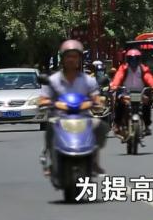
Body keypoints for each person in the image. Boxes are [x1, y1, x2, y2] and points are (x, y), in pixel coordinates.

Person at [39, 39, 109, 175]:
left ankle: (94, 160)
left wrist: (96, 103)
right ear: (62, 58)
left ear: (80, 59)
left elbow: (96, 98)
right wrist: (51, 103)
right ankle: (50, 159)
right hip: (59, 117)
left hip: (83, 117)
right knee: (50, 126)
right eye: (68, 56)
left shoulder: (88, 80)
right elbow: (43, 99)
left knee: (100, 126)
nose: (71, 60)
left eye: (75, 56)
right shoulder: (53, 80)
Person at [110, 49, 153, 137]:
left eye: (136, 59)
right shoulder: (123, 68)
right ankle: (117, 124)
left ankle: (146, 126)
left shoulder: (143, 69)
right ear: (127, 59)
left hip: (140, 93)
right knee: (119, 104)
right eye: (131, 59)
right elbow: (118, 77)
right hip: (125, 93)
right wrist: (115, 85)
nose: (133, 61)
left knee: (146, 104)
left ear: (139, 59)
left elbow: (148, 78)